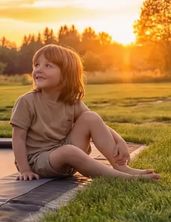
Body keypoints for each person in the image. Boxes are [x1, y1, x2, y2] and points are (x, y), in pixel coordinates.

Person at [10, 44, 160, 181]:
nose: (39, 69)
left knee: (91, 117)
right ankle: (122, 178)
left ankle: (121, 167)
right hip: (38, 161)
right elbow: (18, 138)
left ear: (66, 75)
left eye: (48, 65)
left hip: (66, 154)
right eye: (36, 65)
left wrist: (120, 140)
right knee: (68, 150)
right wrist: (25, 170)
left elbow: (98, 125)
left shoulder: (71, 101)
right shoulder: (26, 102)